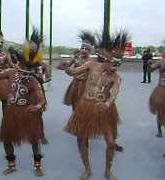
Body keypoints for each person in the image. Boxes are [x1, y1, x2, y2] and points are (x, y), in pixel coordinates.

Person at [62, 30, 130, 180]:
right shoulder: (91, 64)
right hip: (85, 106)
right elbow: (73, 72)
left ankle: (108, 171)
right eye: (114, 62)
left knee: (111, 143)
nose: (116, 66)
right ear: (107, 59)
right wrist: (66, 68)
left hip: (104, 110)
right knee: (82, 139)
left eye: (119, 63)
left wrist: (106, 104)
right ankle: (87, 169)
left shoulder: (116, 78)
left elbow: (113, 93)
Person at [0, 29, 46, 177]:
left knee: (34, 139)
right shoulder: (11, 72)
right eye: (24, 71)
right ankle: (11, 164)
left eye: (29, 72)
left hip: (27, 112)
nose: (26, 75)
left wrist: (37, 107)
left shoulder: (33, 80)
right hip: (11, 111)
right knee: (7, 139)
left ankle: (37, 165)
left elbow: (42, 99)